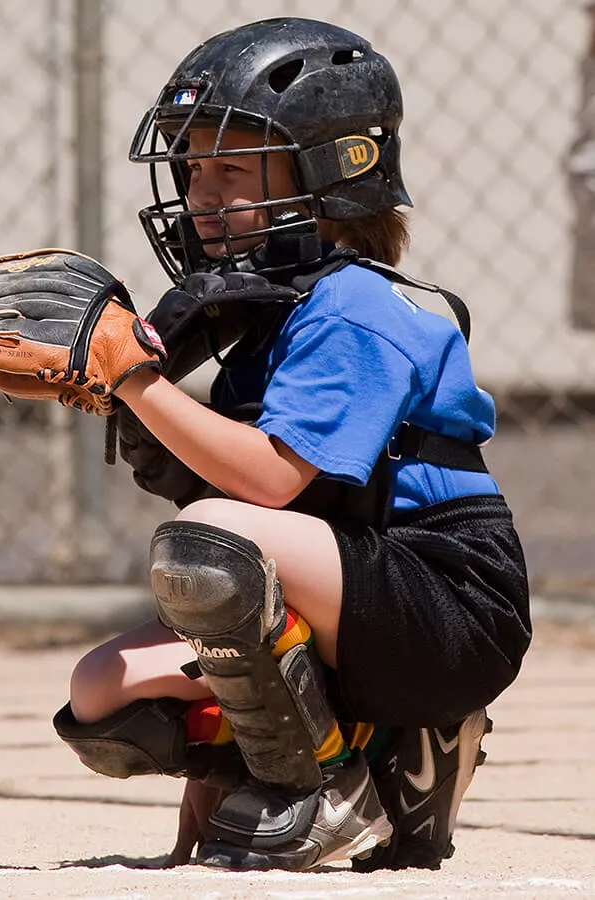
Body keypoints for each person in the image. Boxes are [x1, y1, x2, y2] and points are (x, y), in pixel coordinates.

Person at [50, 17, 531, 873]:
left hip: (448, 601)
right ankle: (394, 758)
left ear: (333, 171)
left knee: (216, 543)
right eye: (192, 169)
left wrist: (136, 380)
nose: (199, 192)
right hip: (357, 593)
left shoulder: (355, 306)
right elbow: (241, 523)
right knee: (100, 693)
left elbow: (268, 491)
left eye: (230, 167)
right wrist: (123, 397)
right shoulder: (264, 318)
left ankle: (333, 789)